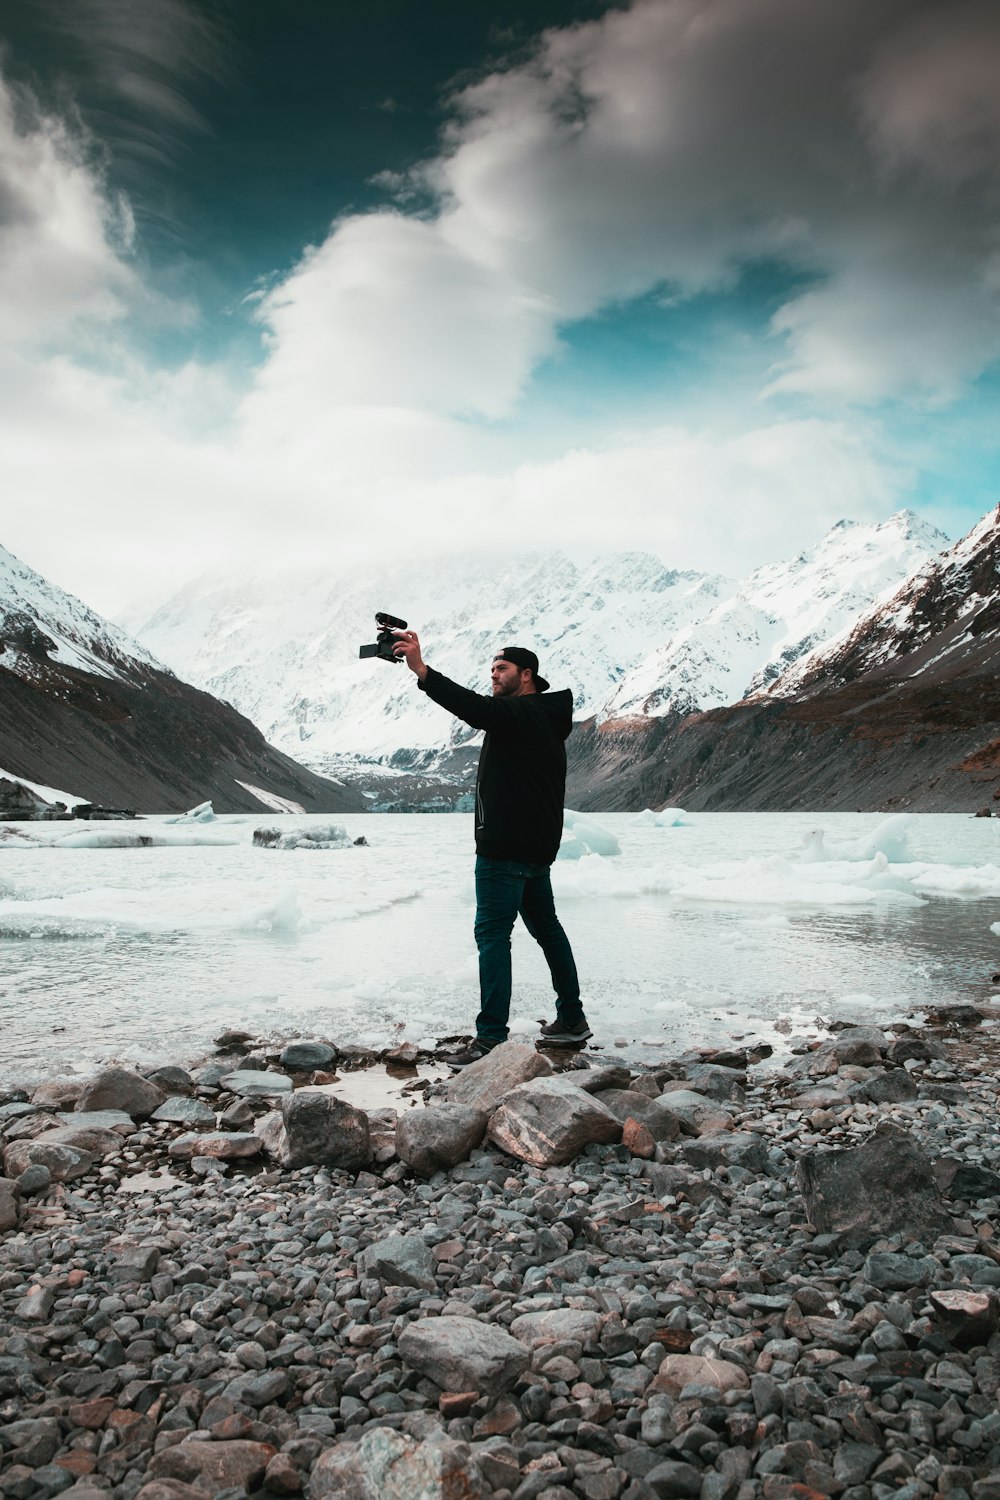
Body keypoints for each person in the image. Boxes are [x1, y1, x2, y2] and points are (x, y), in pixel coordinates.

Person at [392, 629, 591, 1067]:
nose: (494, 676)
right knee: (548, 931)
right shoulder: (543, 715)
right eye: (492, 669)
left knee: (493, 937)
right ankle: (572, 1019)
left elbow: (475, 708)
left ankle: (489, 1039)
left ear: (527, 674)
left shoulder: (520, 712)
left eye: (501, 669)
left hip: (503, 850)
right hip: (535, 851)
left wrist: (423, 672)